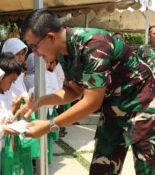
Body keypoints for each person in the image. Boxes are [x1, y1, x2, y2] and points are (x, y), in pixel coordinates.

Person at [17, 9, 155, 175]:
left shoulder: (95, 44)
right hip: (113, 108)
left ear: (51, 37)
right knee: (101, 169)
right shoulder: (63, 52)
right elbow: (74, 91)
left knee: (147, 168)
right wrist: (41, 101)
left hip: (143, 104)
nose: (34, 53)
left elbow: (91, 102)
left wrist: (49, 125)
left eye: (33, 45)